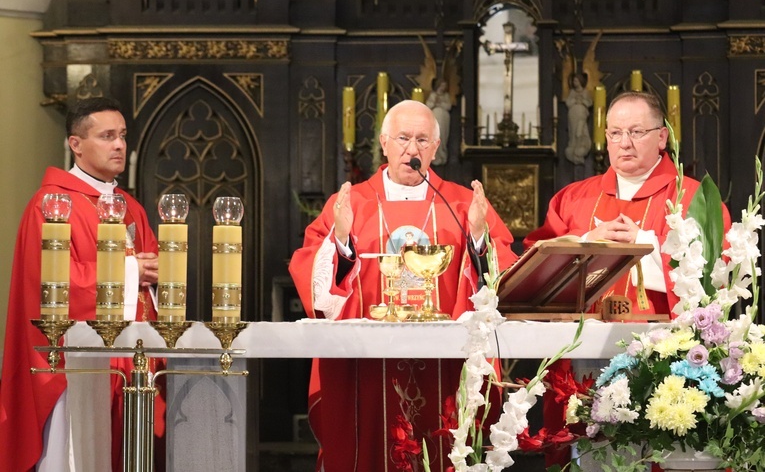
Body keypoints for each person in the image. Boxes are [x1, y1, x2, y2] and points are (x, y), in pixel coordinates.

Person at [289, 99, 517, 471]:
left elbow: (500, 274)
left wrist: (478, 236)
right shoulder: (352, 203)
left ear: (436, 148)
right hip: (368, 368)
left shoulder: (462, 204)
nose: (412, 149)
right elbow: (315, 276)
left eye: (423, 140)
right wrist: (342, 239)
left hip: (446, 368)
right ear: (384, 143)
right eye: (403, 138)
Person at [523, 90, 731, 468]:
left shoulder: (693, 199)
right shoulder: (574, 199)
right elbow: (535, 265)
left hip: (665, 365)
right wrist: (587, 243)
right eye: (615, 133)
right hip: (585, 362)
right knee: (593, 457)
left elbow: (713, 277)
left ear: (662, 137)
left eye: (636, 131)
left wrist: (644, 245)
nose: (625, 143)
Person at [0, 97, 164, 472]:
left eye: (122, 135)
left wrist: (158, 274)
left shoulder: (130, 206)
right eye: (107, 136)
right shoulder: (51, 205)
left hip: (132, 362)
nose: (120, 145)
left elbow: (152, 274)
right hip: (75, 364)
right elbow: (52, 284)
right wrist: (131, 271)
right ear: (76, 144)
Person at [564, 73, 593, 165]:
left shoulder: (585, 92)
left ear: (580, 81)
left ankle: (581, 145)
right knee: (573, 132)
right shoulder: (572, 92)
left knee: (580, 132)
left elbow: (589, 102)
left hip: (581, 115)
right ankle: (573, 145)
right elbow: (568, 103)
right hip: (572, 115)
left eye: (576, 80)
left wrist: (582, 101)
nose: (574, 82)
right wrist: (575, 100)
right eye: (573, 81)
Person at [426, 79, 452, 165]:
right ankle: (436, 156)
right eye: (442, 85)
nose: (443, 87)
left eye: (445, 85)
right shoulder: (433, 95)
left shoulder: (446, 96)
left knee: (443, 135)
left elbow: (448, 106)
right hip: (436, 116)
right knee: (436, 134)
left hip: (444, 117)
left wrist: (440, 104)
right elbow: (428, 105)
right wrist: (435, 103)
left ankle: (443, 154)